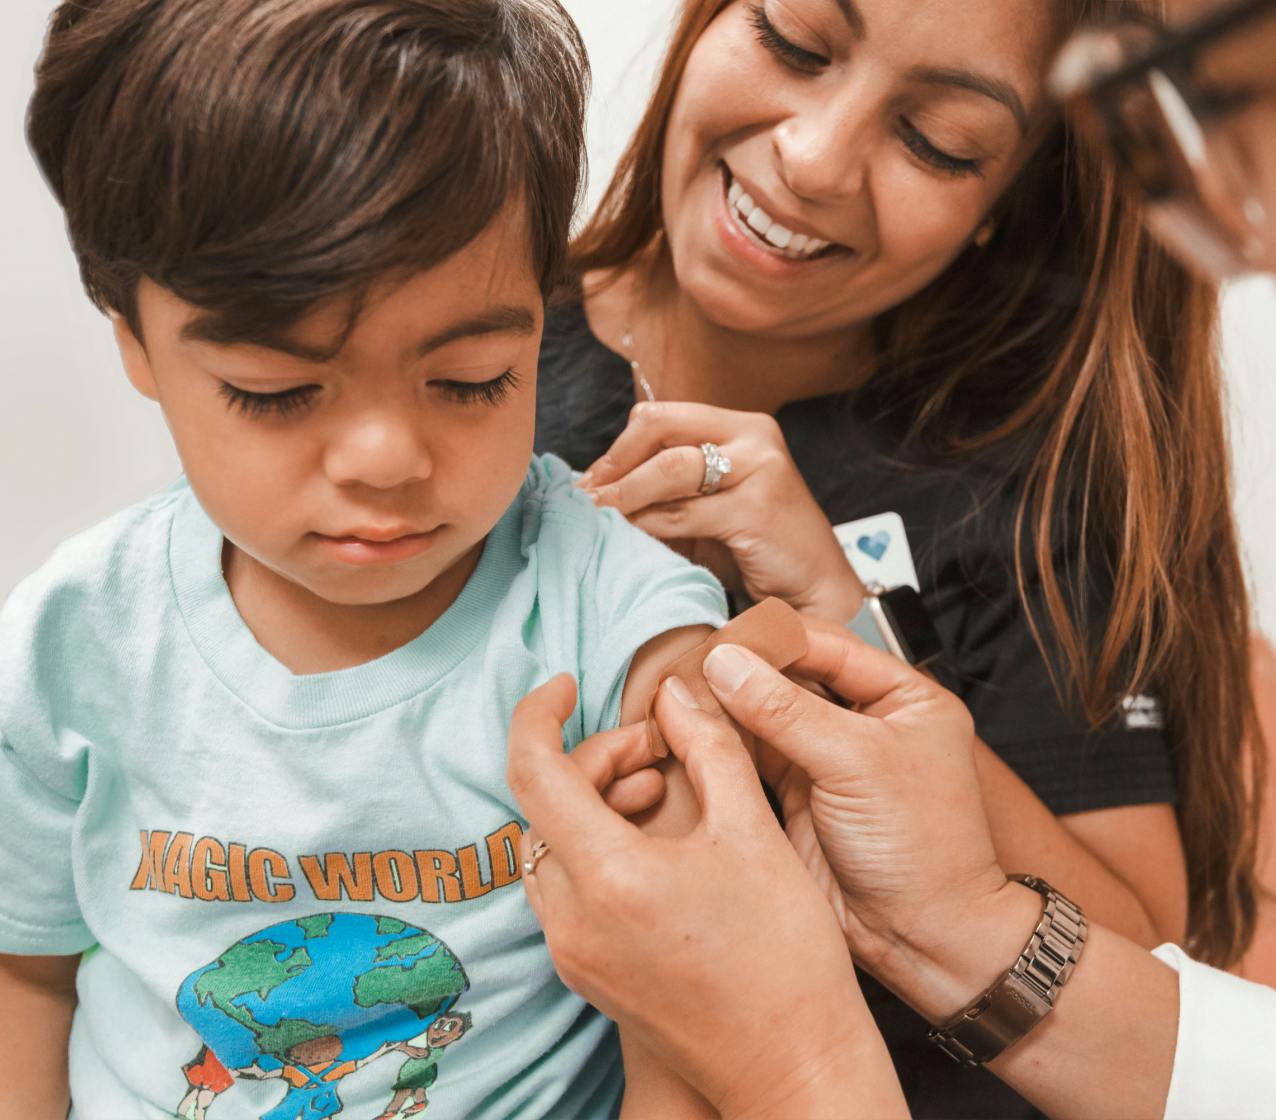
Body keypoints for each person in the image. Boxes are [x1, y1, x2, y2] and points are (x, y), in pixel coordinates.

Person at [508, 0, 1276, 1113]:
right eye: (792, 40)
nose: (813, 160)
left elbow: (1144, 963)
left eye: (937, 144)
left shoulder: (1023, 492)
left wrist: (841, 610)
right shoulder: (475, 357)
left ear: (1000, 209)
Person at [0, 2, 732, 1117]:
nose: (387, 460)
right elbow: (25, 967)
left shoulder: (613, 619)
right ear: (135, 342)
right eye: (277, 391)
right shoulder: (74, 637)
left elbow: (694, 1012)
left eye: (472, 377)